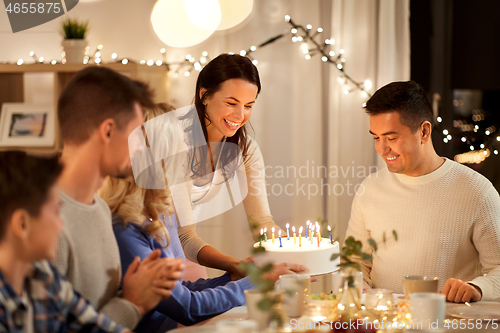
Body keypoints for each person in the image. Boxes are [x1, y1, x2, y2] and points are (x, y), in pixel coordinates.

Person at [100, 103, 307, 332]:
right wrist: (258, 281)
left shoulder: (160, 216)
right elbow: (187, 308)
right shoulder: (124, 230)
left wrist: (233, 276)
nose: (187, 159)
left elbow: (180, 290)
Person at [345, 80, 500, 303]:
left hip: (447, 324)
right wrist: (356, 283)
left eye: (391, 138)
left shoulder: (477, 191)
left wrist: (478, 287)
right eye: (376, 138)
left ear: (424, 131)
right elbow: (354, 260)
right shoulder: (370, 189)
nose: (381, 149)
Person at [54, 66, 184, 330]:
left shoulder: (100, 208)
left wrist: (137, 293)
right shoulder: (47, 220)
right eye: (137, 134)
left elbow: (95, 310)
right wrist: (133, 303)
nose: (142, 148)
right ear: (108, 131)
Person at [156, 54, 303, 279]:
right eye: (231, 103)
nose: (240, 115)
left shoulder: (245, 149)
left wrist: (301, 253)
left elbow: (261, 223)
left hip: (185, 249)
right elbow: (184, 234)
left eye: (248, 105)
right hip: (149, 247)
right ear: (204, 95)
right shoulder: (175, 141)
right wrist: (237, 265)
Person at [0, 151, 128, 332]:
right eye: (55, 211)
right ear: (22, 224)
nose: (61, 224)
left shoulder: (43, 275)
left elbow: (97, 327)